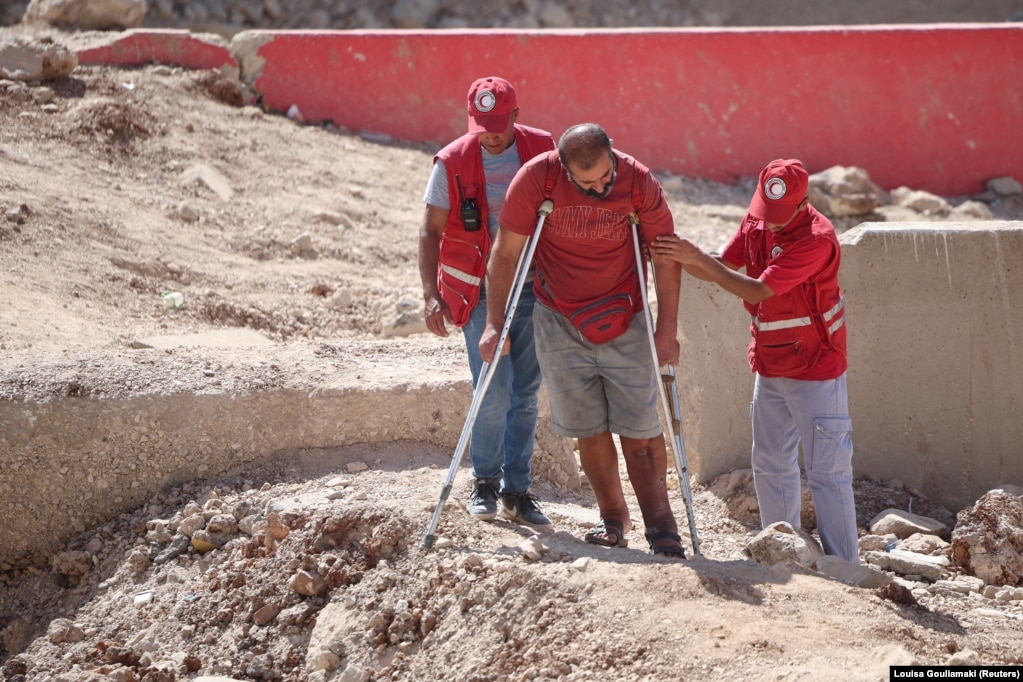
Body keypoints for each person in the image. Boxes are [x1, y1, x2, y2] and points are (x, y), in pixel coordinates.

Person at [480, 123, 686, 557]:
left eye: (604, 176)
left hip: (625, 316)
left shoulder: (638, 182)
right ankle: (613, 518)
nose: (599, 186)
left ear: (612, 154)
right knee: (588, 430)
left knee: (641, 431)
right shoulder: (539, 179)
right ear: (565, 168)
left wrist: (665, 330)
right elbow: (505, 252)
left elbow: (666, 255)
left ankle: (661, 525)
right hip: (559, 319)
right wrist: (494, 324)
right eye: (586, 182)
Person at [649, 159, 859, 563]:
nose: (772, 224)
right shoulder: (758, 220)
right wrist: (677, 254)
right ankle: (782, 554)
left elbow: (758, 289)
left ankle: (845, 568)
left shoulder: (817, 240)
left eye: (781, 217)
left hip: (816, 368)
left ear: (804, 203)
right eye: (767, 214)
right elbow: (722, 264)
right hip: (771, 363)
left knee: (828, 474)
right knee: (770, 463)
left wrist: (693, 256)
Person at [418, 76, 556, 533]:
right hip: (476, 290)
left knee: (525, 393)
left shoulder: (542, 150)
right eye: (483, 124)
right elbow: (429, 231)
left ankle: (518, 491)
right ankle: (485, 482)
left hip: (534, 287)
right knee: (493, 387)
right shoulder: (452, 161)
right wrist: (430, 295)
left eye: (499, 124)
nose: (492, 133)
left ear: (516, 116)